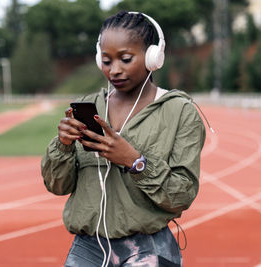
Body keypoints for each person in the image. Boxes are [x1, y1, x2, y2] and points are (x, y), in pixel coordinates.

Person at [41, 10, 206, 267]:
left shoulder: (179, 111)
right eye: (106, 61)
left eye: (126, 59)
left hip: (148, 247)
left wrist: (135, 161)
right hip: (88, 247)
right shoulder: (87, 107)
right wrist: (62, 146)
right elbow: (57, 186)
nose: (115, 70)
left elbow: (181, 195)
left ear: (154, 57)